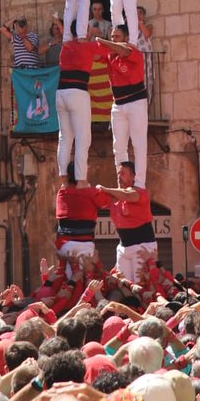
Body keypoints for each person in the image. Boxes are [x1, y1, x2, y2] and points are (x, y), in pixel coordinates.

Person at [93, 27, 148, 187]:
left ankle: (139, 184)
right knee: (118, 146)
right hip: (118, 105)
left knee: (138, 144)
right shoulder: (110, 54)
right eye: (112, 37)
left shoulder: (133, 51)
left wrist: (103, 41)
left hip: (136, 103)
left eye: (117, 37)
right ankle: (122, 182)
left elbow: (123, 50)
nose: (113, 40)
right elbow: (95, 56)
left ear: (126, 38)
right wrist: (86, 40)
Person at [96, 161, 157, 281]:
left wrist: (105, 189)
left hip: (142, 247)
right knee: (122, 284)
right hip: (124, 247)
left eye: (123, 173)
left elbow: (127, 195)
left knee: (141, 285)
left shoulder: (139, 193)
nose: (119, 177)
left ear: (133, 176)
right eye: (118, 173)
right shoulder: (114, 197)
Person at [56, 41, 96, 184]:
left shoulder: (65, 46)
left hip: (61, 92)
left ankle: (64, 182)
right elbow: (103, 54)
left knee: (65, 138)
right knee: (82, 139)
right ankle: (81, 181)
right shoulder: (88, 45)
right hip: (78, 92)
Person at [55, 160, 107, 265]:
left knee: (68, 273)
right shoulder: (91, 193)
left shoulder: (62, 192)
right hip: (85, 245)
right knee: (87, 273)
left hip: (64, 245)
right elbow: (105, 203)